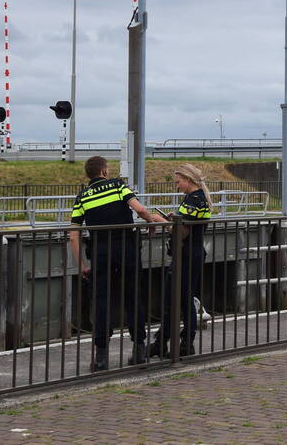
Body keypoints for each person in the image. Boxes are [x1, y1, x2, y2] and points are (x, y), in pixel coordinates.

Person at [69, 156, 166, 371]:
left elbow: (73, 235)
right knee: (133, 296)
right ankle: (139, 350)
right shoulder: (117, 186)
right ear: (104, 171)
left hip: (100, 250)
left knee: (102, 300)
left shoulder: (82, 197)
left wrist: (82, 265)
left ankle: (101, 358)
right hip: (126, 247)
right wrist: (150, 223)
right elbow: (139, 209)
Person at [150, 163, 211, 358]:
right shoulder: (196, 198)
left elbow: (182, 232)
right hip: (190, 253)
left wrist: (163, 222)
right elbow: (186, 224)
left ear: (188, 180)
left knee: (178, 299)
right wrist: (175, 218)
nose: (176, 185)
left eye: (178, 182)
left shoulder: (193, 200)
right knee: (180, 299)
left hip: (187, 253)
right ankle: (172, 342)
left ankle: (177, 343)